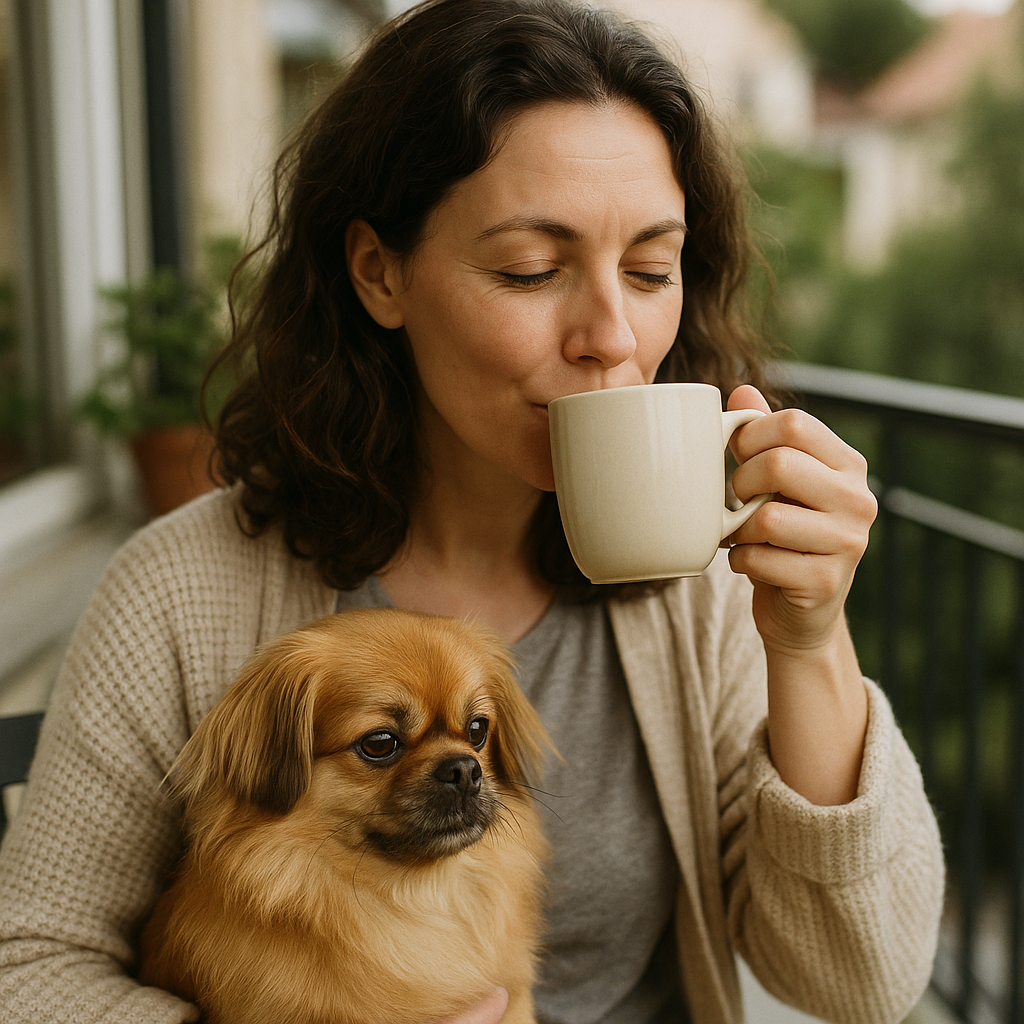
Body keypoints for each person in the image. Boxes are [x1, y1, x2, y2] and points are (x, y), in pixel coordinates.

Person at [0, 1, 944, 1022]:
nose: (610, 335)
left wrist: (809, 641)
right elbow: (29, 968)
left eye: (649, 269)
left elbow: (861, 984)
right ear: (380, 272)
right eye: (530, 270)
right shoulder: (178, 593)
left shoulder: (705, 589)